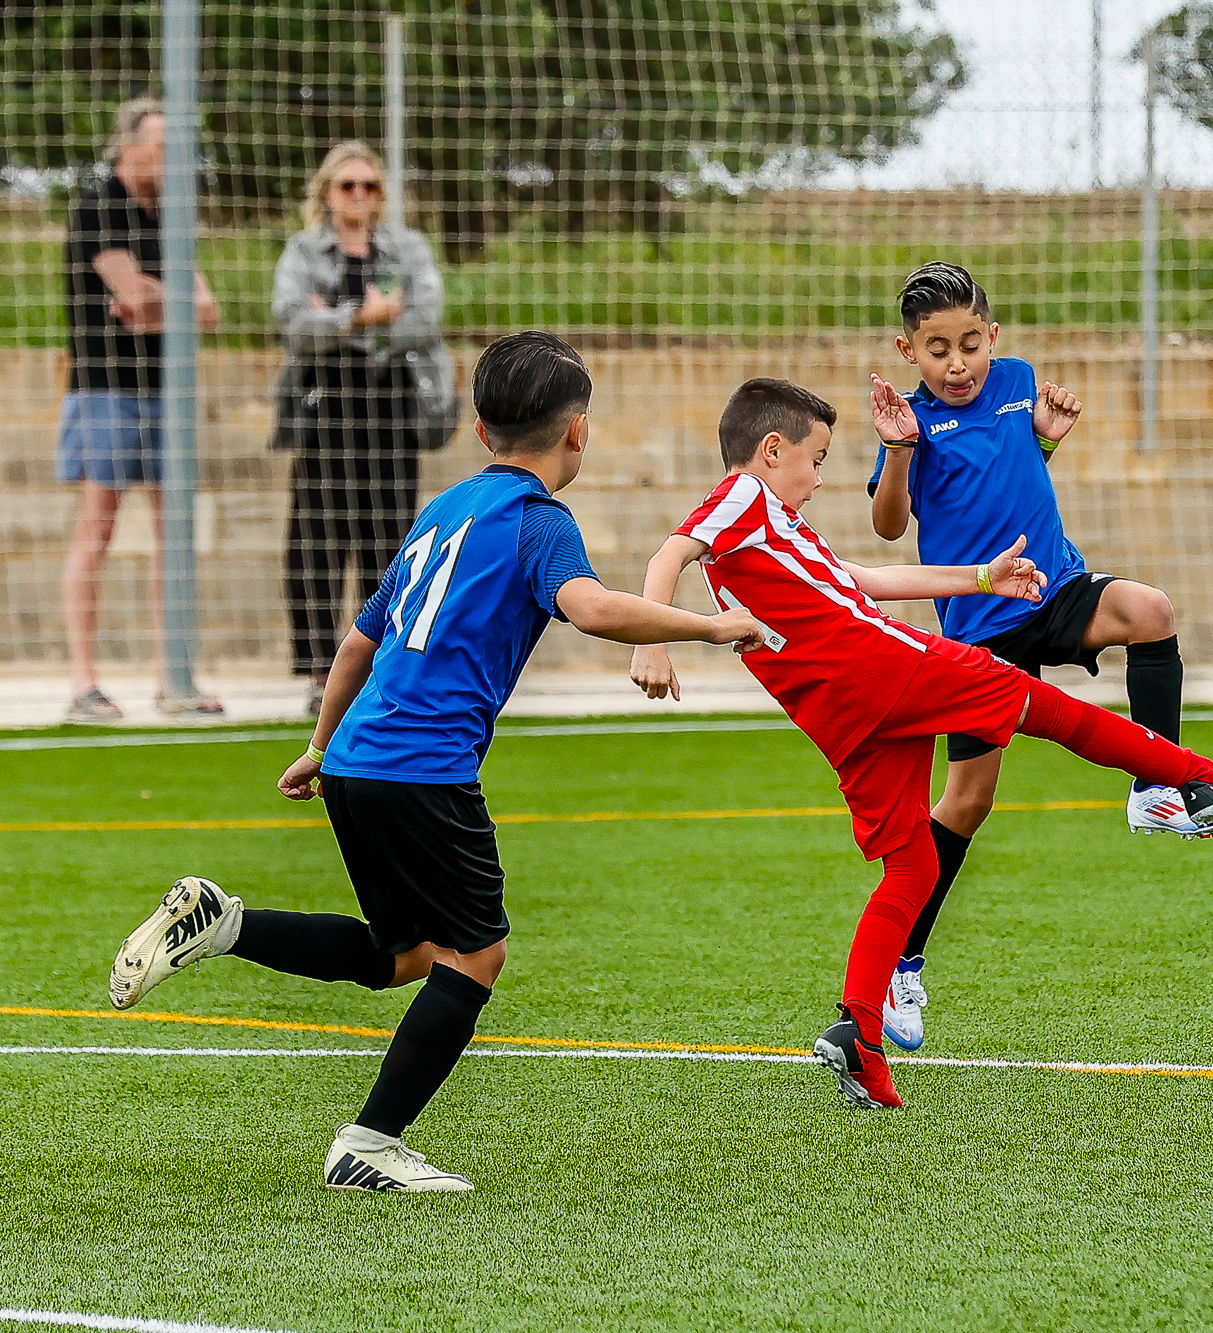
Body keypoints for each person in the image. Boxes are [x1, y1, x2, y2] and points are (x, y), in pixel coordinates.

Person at [106, 333, 766, 1192]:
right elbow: (593, 608)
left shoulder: (443, 509)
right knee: (478, 954)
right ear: (579, 430)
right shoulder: (538, 521)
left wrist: (319, 747)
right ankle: (370, 1142)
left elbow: (357, 643)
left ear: (482, 429)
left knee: (406, 953)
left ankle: (222, 924)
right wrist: (710, 625)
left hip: (357, 759)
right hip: (425, 768)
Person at [630, 378, 1213, 1111]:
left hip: (842, 719)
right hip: (881, 667)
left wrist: (980, 578)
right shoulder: (744, 497)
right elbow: (671, 551)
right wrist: (654, 637)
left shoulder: (778, 532)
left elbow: (866, 578)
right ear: (772, 450)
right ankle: (1191, 778)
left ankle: (859, 1034)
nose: (819, 477)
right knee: (1034, 702)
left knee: (912, 865)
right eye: (817, 459)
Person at [863, 261, 1197, 1053]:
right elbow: (888, 526)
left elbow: (1010, 478)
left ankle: (1156, 785)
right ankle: (901, 963)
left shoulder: (1017, 380)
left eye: (969, 344)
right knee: (967, 801)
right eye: (937, 349)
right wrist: (899, 451)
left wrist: (1044, 438)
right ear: (908, 351)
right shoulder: (912, 420)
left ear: (994, 337)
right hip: (980, 627)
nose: (957, 363)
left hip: (1052, 586)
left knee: (1150, 610)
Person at [59, 96, 224, 721]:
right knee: (96, 529)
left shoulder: (171, 217)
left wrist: (158, 302)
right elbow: (132, 294)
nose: (173, 159)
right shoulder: (99, 206)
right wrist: (167, 299)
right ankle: (84, 683)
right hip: (105, 390)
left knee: (172, 535)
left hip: (167, 394)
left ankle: (172, 678)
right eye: (162, 147)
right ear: (128, 147)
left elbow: (207, 312)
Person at [272, 141, 451, 717]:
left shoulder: (407, 248)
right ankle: (319, 673)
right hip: (325, 410)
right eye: (346, 185)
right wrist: (364, 314)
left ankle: (380, 668)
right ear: (326, 192)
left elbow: (426, 318)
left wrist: (338, 322)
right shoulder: (303, 250)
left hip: (391, 410)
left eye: (368, 186)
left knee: (390, 544)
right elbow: (292, 323)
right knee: (316, 546)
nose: (357, 195)